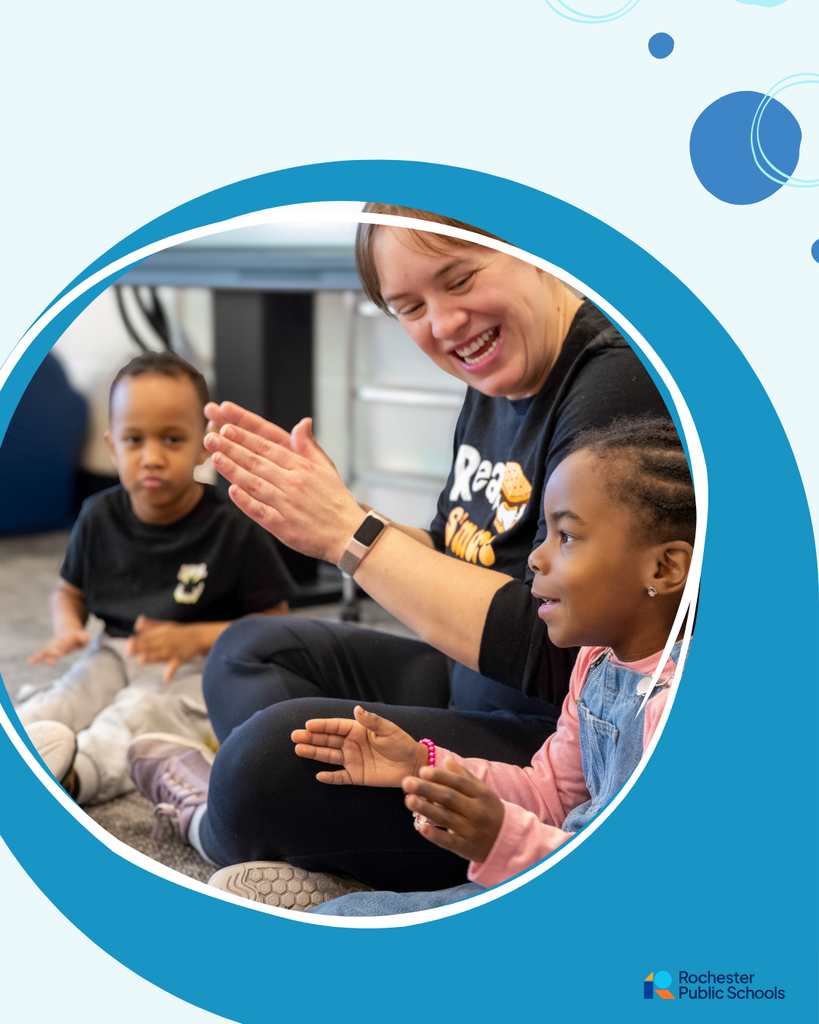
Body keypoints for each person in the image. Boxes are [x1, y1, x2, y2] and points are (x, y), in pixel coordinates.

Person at [127, 207, 674, 895]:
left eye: (460, 279)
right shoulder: (496, 377)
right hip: (464, 682)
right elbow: (455, 547)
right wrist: (332, 517)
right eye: (409, 306)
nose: (442, 325)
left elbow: (561, 652)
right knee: (250, 650)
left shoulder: (615, 385)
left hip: (552, 740)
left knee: (265, 761)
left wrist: (352, 538)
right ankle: (305, 836)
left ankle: (217, 819)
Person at [297, 415, 696, 914]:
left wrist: (503, 841)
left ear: (664, 568)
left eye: (566, 536)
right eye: (544, 534)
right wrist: (426, 764)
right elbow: (550, 795)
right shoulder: (596, 660)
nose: (535, 558)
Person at [18, 352, 295, 806]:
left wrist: (193, 638)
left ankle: (75, 777)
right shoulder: (97, 516)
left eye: (171, 439)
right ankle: (22, 747)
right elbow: (68, 593)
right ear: (111, 447)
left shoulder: (234, 526)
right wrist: (68, 627)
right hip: (115, 648)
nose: (151, 458)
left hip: (197, 666)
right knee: (69, 695)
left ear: (203, 446)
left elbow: (275, 626)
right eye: (133, 440)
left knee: (139, 713)